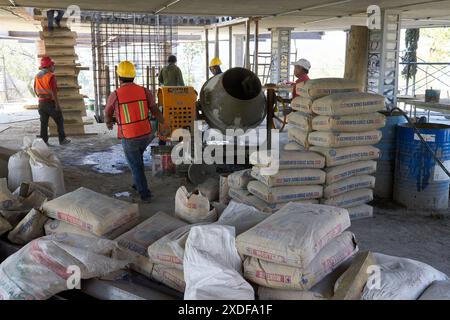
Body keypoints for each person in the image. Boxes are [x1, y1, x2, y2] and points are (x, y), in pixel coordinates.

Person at [105, 61, 168, 203]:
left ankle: (145, 193)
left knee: (136, 164)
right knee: (136, 159)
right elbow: (155, 110)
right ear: (134, 75)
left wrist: (109, 122)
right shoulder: (144, 91)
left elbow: (107, 112)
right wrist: (163, 123)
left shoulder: (115, 94)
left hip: (129, 136)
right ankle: (136, 183)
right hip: (146, 134)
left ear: (119, 77)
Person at [34, 56, 70, 146]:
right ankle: (62, 140)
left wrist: (40, 97)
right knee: (59, 119)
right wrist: (57, 105)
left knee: (44, 123)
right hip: (49, 102)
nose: (54, 67)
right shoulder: (51, 76)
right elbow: (54, 92)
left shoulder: (37, 76)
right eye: (53, 65)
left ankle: (44, 142)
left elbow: (34, 89)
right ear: (49, 66)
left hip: (41, 103)